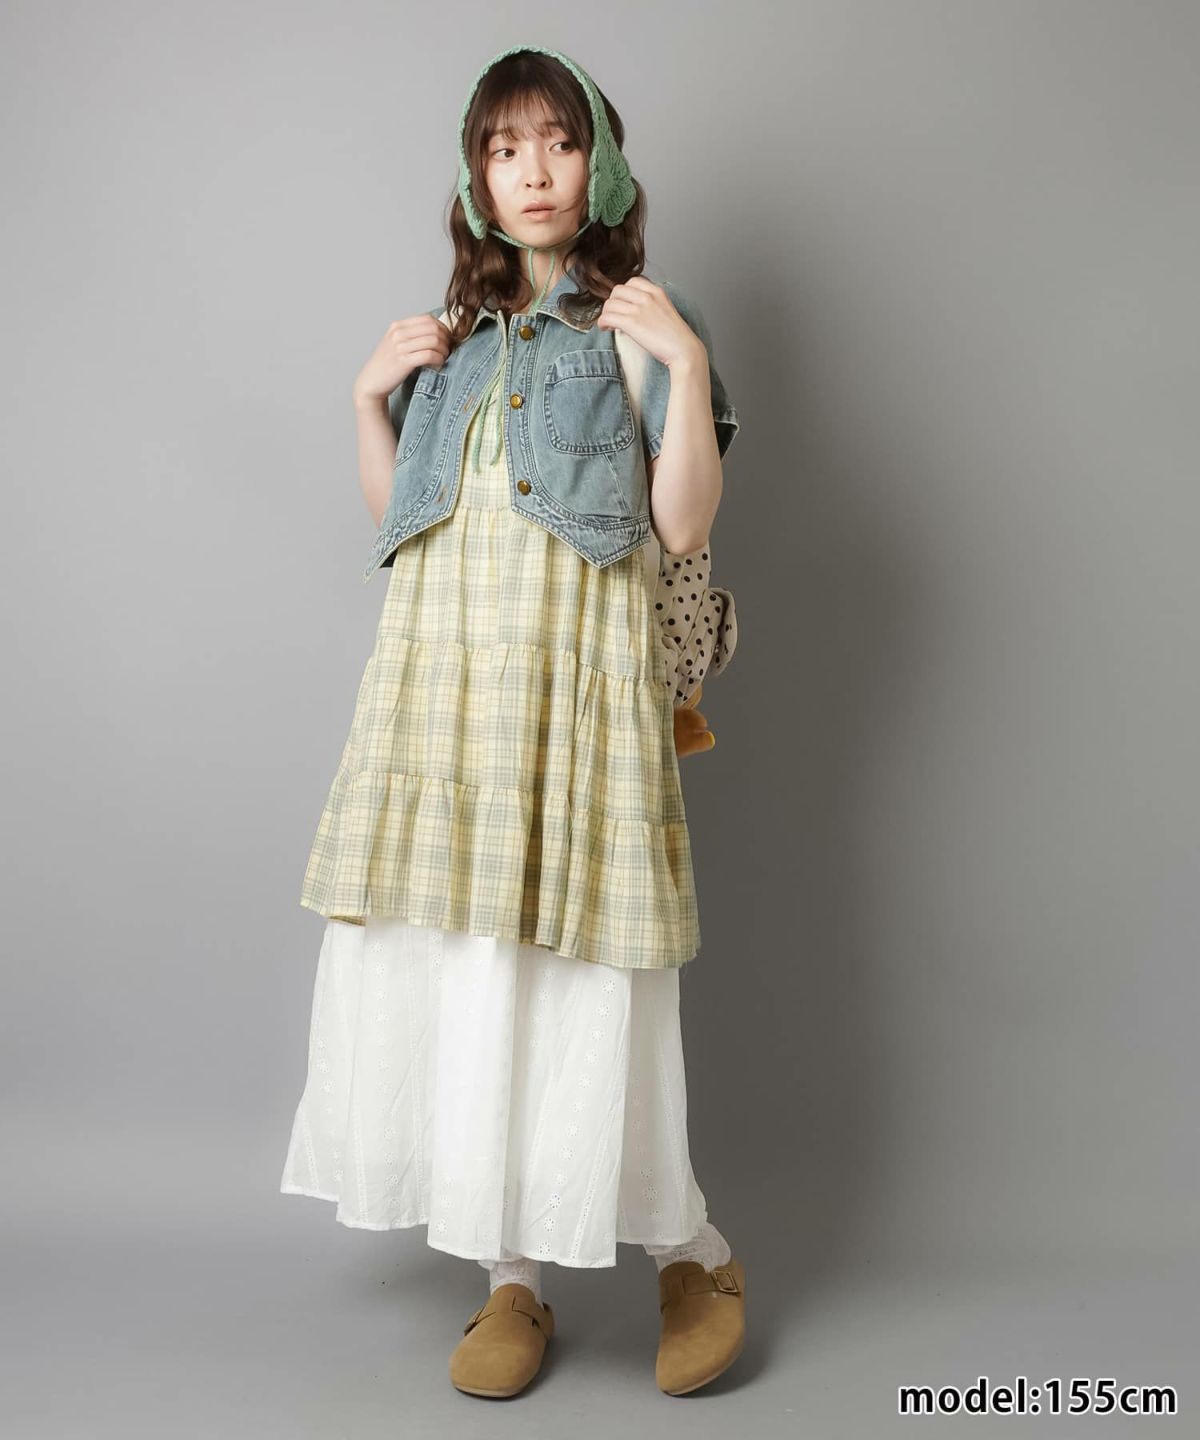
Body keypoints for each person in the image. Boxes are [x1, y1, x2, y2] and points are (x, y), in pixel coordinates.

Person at [279, 42, 746, 1399]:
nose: (532, 171)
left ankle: (694, 1254)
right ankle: (511, 1281)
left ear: (601, 162)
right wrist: (367, 399)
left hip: (574, 703)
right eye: (502, 148)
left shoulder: (642, 321)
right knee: (472, 979)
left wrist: (684, 361)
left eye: (556, 141)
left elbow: (681, 526)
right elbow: (404, 524)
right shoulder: (456, 344)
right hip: (447, 703)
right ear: (475, 178)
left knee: (590, 984)